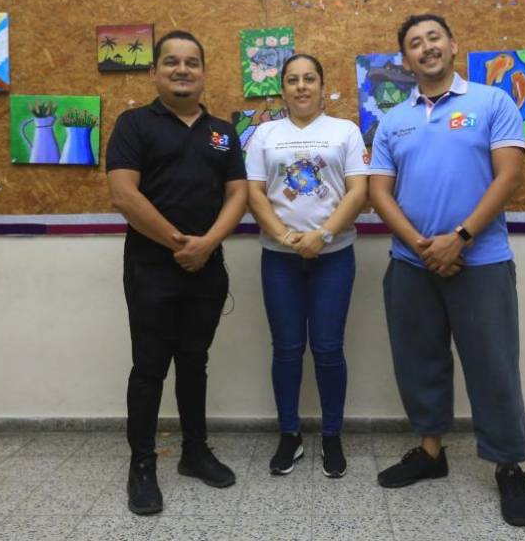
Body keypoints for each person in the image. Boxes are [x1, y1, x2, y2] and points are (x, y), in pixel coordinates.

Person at [368, 14, 525, 527]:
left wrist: (459, 238)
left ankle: (508, 466)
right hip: (411, 264)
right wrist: (421, 246)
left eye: (433, 38)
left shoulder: (492, 102)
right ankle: (431, 453)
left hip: (481, 261)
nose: (426, 48)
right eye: (415, 44)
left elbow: (509, 174)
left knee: (493, 366)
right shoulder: (393, 119)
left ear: (452, 45)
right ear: (404, 60)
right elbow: (378, 192)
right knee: (419, 362)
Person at [106, 30, 248, 515]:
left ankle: (194, 452)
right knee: (148, 370)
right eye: (171, 62)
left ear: (204, 71)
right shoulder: (133, 124)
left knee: (194, 362)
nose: (182, 70)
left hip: (207, 269)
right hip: (151, 270)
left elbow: (238, 194)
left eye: (191, 62)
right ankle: (142, 466)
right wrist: (179, 244)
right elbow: (125, 195)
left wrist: (207, 245)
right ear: (155, 72)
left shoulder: (223, 131)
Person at [246, 53, 368, 478]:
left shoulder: (344, 131)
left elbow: (358, 191)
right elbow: (255, 193)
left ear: (322, 86)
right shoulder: (264, 133)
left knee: (329, 349)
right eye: (293, 80)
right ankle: (290, 435)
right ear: (282, 88)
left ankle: (332, 436)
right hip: (279, 259)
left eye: (309, 79)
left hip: (333, 258)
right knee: (287, 349)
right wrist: (284, 236)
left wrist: (323, 236)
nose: (301, 86)